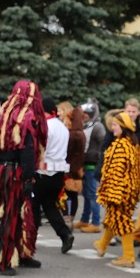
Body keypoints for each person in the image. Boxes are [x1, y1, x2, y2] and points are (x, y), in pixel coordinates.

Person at [0, 80, 46, 275]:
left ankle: (19, 253)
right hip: (16, 174)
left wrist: (2, 162)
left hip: (5, 172)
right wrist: (28, 177)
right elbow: (27, 151)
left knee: (19, 215)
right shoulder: (27, 118)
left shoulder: (3, 117)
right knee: (12, 216)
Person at [92, 111, 140, 267]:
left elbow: (116, 172)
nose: (112, 128)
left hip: (119, 191)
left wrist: (110, 191)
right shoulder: (132, 144)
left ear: (122, 126)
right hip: (129, 189)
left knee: (123, 221)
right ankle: (102, 245)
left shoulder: (120, 145)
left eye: (114, 125)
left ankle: (128, 256)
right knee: (114, 218)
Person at [35, 97, 74, 253]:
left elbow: (40, 150)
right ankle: (65, 234)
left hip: (43, 172)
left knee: (33, 206)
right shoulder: (62, 127)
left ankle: (30, 238)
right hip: (58, 173)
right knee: (50, 205)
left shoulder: (44, 127)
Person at [74, 99, 105, 233]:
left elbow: (103, 145)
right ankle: (85, 219)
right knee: (86, 194)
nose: (84, 115)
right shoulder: (85, 125)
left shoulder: (97, 126)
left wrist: (98, 158)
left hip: (93, 164)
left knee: (92, 194)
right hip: (84, 164)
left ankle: (96, 222)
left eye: (87, 113)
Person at [64, 104, 87, 225]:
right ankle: (71, 216)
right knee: (74, 195)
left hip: (69, 167)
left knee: (68, 194)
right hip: (78, 167)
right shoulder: (81, 134)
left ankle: (68, 216)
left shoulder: (72, 134)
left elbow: (67, 151)